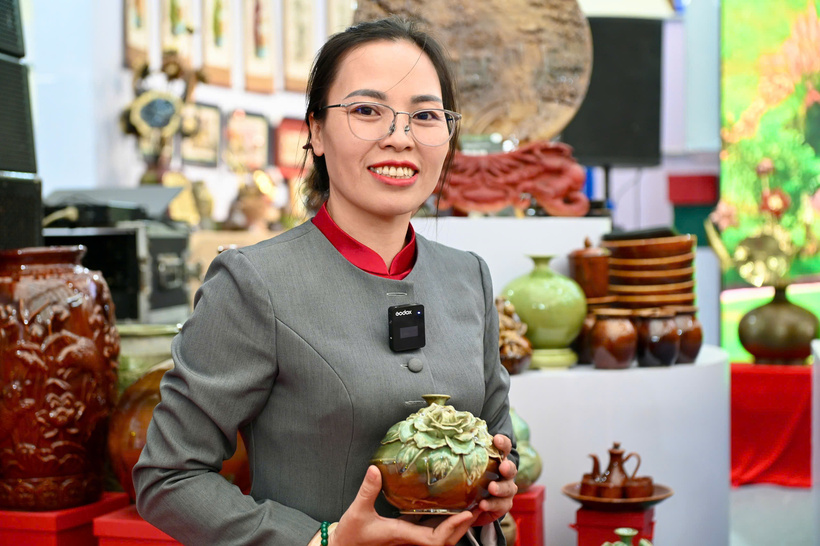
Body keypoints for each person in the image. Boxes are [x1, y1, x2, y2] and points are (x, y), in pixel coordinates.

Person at [133, 16, 518, 546]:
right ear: (314, 131)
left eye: (425, 116)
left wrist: (499, 481)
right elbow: (167, 477)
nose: (399, 137)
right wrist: (320, 541)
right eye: (367, 111)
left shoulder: (468, 276)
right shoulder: (254, 283)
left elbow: (500, 431)